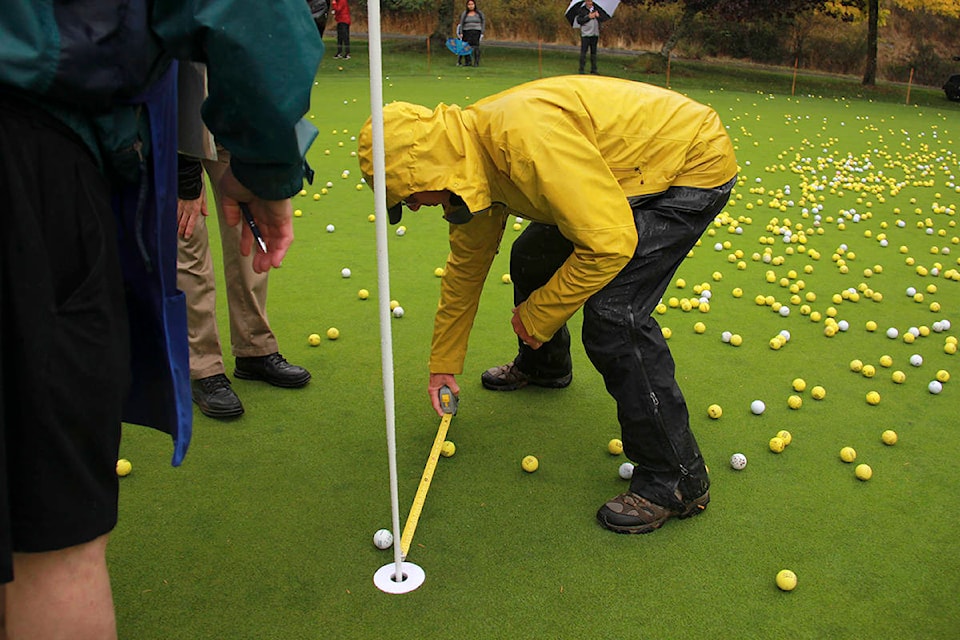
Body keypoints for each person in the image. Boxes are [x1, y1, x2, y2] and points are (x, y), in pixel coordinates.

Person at [0, 1, 321, 637]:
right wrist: (267, 167)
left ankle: (251, 352)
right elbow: (249, 16)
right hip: (32, 154)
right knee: (52, 539)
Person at [358, 76, 738, 536]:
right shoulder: (468, 172)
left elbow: (610, 244)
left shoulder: (523, 144)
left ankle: (675, 480)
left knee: (614, 316)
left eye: (408, 197)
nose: (414, 208)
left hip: (686, 165)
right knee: (531, 256)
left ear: (426, 174)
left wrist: (539, 314)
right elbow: (465, 270)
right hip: (618, 176)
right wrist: (443, 364)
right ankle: (545, 367)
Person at [177, 65, 312, 420]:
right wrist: (184, 179)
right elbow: (171, 75)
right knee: (188, 242)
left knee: (248, 235)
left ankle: (254, 348)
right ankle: (203, 367)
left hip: (234, 128)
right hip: (177, 130)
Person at [576, 0, 605, 74]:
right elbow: (579, 20)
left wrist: (599, 16)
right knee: (583, 52)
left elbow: (603, 19)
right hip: (586, 34)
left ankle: (594, 69)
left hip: (595, 34)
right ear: (585, 2)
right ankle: (581, 69)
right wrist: (588, 17)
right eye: (588, 1)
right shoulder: (582, 10)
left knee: (594, 52)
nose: (590, 3)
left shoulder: (597, 8)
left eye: (591, 1)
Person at [457, 0, 486, 67]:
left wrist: (482, 31)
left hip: (476, 31)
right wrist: (461, 32)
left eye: (472, 4)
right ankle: (468, 62)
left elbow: (483, 22)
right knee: (466, 47)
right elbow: (461, 23)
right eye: (469, 4)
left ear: (475, 5)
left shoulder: (479, 13)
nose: (471, 6)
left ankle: (476, 62)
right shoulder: (465, 13)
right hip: (466, 31)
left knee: (476, 47)